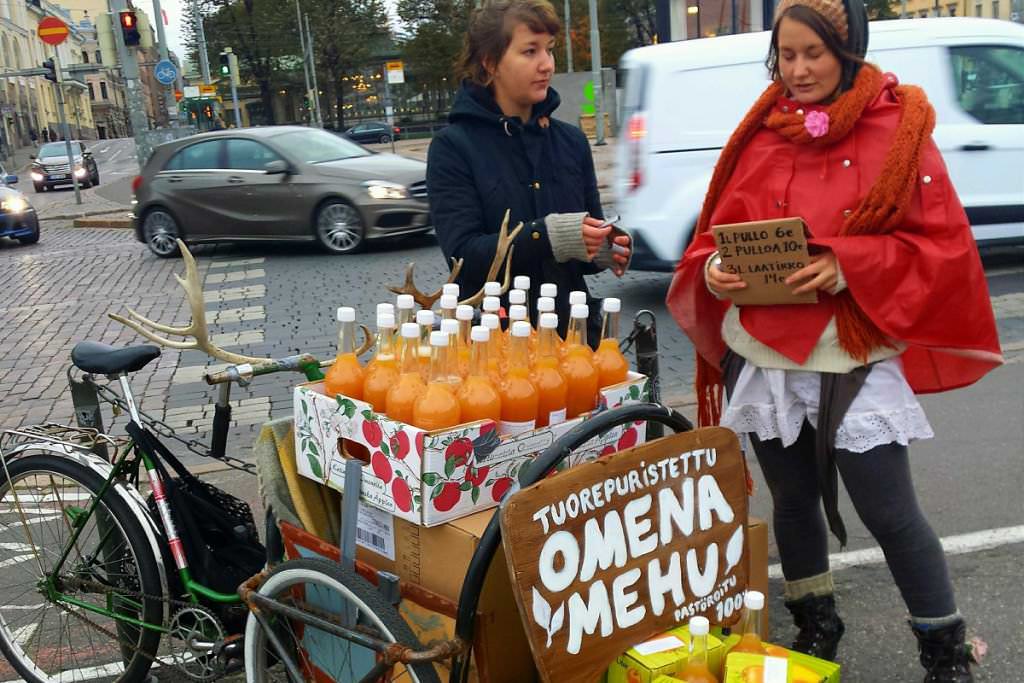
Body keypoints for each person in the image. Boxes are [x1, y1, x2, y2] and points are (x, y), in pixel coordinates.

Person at [666, 0, 1002, 681]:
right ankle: (817, 625)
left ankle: (943, 647)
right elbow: (713, 230)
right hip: (761, 349)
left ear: (846, 51)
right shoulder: (760, 129)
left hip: (849, 347)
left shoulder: (898, 124)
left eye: (812, 54)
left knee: (888, 509)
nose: (797, 70)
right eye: (786, 56)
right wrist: (714, 268)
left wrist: (849, 262)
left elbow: (937, 243)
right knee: (790, 500)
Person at [426, 0, 631, 342]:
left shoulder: (571, 141)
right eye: (529, 51)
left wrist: (605, 247)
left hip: (573, 339)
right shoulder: (453, 147)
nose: (546, 65)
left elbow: (578, 254)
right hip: (495, 344)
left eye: (549, 50)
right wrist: (548, 234)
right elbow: (464, 256)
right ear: (490, 63)